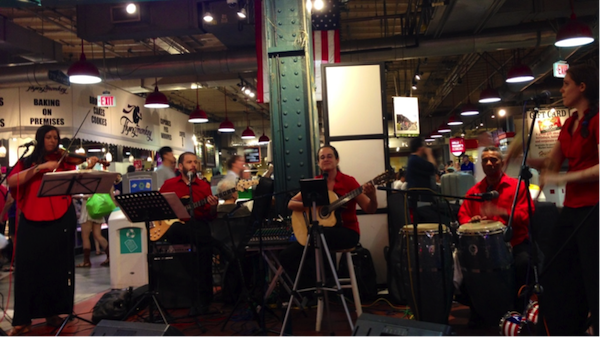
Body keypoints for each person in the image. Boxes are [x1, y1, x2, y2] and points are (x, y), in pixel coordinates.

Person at [6, 125, 99, 336]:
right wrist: (39, 168)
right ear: (40, 139)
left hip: (61, 218)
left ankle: (54, 312)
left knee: (58, 267)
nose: (52, 140)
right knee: (27, 269)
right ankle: (22, 320)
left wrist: (88, 165)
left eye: (55, 137)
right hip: (31, 218)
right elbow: (12, 181)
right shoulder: (28, 161)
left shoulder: (64, 161)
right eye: (48, 137)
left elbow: (79, 180)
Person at [529, 64, 600, 335]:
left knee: (594, 279)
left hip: (594, 209)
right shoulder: (570, 123)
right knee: (555, 273)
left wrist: (565, 179)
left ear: (582, 87)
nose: (562, 89)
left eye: (566, 83)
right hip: (572, 210)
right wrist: (521, 153)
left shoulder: (597, 119)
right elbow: (552, 163)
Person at [280, 145, 377, 290]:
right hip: (317, 235)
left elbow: (369, 209)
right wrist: (312, 206)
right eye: (322, 157)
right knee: (286, 255)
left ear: (337, 160)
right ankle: (311, 289)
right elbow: (291, 203)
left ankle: (328, 281)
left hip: (347, 232)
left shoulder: (349, 182)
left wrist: (372, 196)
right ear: (318, 163)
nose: (326, 159)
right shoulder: (314, 183)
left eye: (329, 156)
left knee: (318, 235)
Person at [457, 146, 534, 326]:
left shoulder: (517, 187)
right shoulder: (475, 191)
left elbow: (527, 215)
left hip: (514, 243)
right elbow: (462, 215)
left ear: (502, 163)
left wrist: (503, 212)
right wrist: (470, 220)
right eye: (485, 160)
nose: (489, 163)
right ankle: (480, 310)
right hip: (484, 250)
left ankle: (516, 312)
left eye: (494, 159)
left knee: (524, 263)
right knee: (462, 268)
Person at [159, 152, 218, 315]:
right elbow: (160, 208)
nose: (193, 165)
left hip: (198, 226)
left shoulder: (204, 186)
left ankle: (204, 301)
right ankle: (219, 246)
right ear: (180, 166)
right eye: (189, 162)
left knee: (204, 250)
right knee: (180, 229)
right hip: (175, 228)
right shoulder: (169, 185)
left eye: (195, 162)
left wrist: (213, 206)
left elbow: (210, 216)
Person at [75, 194, 109, 268]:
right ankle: (110, 257)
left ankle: (86, 261)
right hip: (97, 207)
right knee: (98, 235)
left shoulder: (86, 183)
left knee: (85, 237)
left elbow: (87, 195)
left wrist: (79, 196)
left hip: (88, 208)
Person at [405, 137, 437, 201]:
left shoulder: (412, 159)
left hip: (417, 196)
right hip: (421, 197)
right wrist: (429, 154)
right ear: (420, 148)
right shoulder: (416, 160)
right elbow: (433, 167)